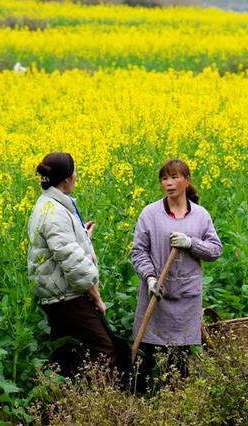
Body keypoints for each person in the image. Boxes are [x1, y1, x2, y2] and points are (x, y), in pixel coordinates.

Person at [131, 159, 222, 391]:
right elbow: (138, 251)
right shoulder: (150, 214)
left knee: (179, 361)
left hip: (186, 297)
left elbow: (215, 250)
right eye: (164, 178)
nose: (169, 183)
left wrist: (191, 243)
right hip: (156, 295)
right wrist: (150, 277)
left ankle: (177, 404)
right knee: (150, 357)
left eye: (174, 178)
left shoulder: (201, 215)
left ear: (187, 180)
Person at [28, 152, 122, 377]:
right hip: (67, 297)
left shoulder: (48, 205)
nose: (77, 177)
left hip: (57, 294)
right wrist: (97, 296)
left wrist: (83, 236)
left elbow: (61, 247)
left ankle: (67, 402)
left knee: (69, 354)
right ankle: (100, 405)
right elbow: (72, 262)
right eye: (75, 172)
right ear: (67, 179)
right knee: (105, 350)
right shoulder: (55, 213)